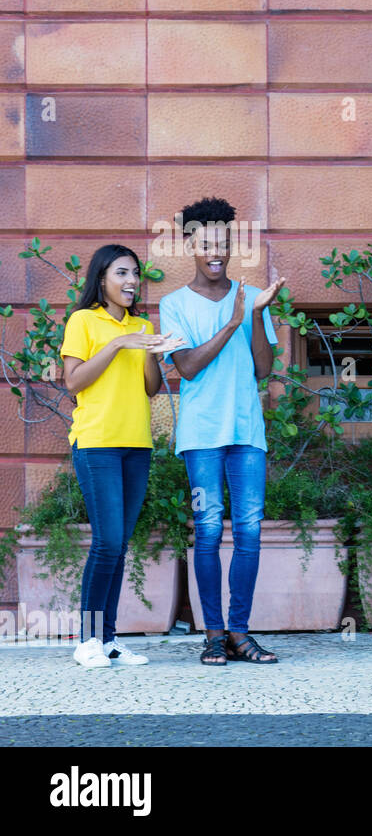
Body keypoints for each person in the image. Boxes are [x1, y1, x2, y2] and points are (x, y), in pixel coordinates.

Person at [159, 197, 285, 667]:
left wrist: (251, 314)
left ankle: (239, 633)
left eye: (223, 244)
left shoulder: (252, 299)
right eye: (207, 243)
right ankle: (212, 634)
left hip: (246, 431)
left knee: (249, 532)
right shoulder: (173, 305)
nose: (216, 252)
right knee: (209, 530)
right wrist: (233, 320)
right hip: (201, 435)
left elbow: (263, 368)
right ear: (190, 244)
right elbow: (187, 367)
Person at [61, 244, 185, 668]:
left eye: (135, 274)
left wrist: (153, 353)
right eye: (121, 273)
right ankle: (87, 641)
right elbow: (74, 381)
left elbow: (150, 387)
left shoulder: (142, 324)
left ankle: (109, 639)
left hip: (137, 445)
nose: (132, 281)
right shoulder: (83, 320)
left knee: (120, 545)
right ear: (101, 279)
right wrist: (118, 345)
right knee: (107, 542)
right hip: (96, 443)